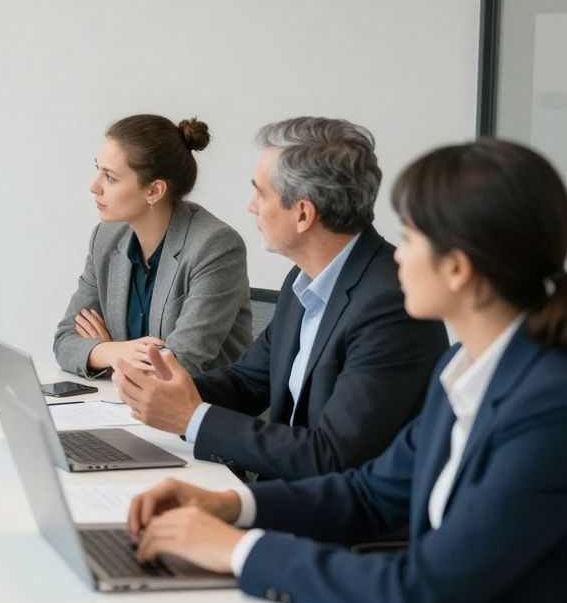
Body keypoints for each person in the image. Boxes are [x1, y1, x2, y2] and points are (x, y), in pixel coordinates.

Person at [126, 140, 567, 603]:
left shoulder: (547, 409)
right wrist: (229, 504)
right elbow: (369, 492)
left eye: (412, 236)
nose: (397, 254)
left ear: (458, 269)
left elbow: (418, 590)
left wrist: (238, 551)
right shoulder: (464, 368)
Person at [114, 117, 449, 480]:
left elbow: (332, 456)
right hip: (286, 498)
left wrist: (192, 417)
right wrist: (166, 390)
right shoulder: (303, 279)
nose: (250, 206)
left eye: (261, 193)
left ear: (303, 214)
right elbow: (247, 383)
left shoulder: (390, 305)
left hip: (339, 526)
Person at [53, 114, 251, 379]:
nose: (94, 187)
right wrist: (114, 351)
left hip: (198, 412)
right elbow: (65, 340)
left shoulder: (215, 246)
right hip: (123, 407)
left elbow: (179, 365)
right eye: (97, 169)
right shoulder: (105, 238)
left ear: (154, 191)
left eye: (110, 177)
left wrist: (104, 353)